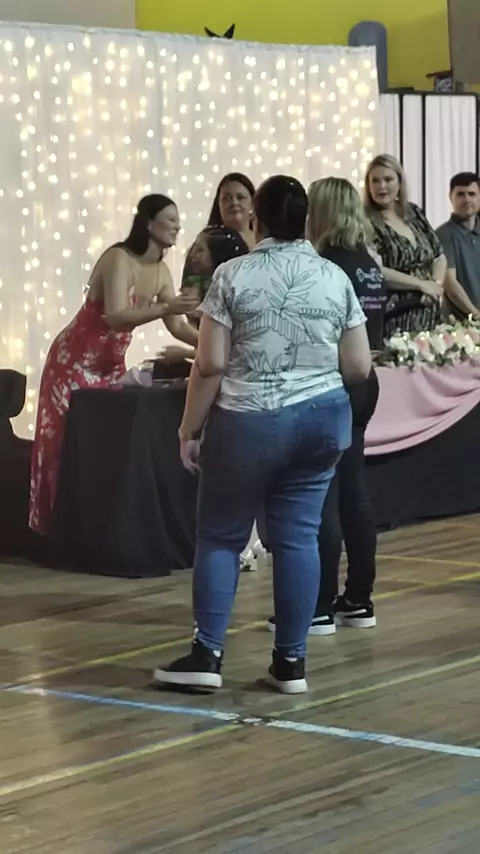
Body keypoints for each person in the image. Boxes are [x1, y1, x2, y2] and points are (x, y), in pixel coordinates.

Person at [153, 175, 371, 695]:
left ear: (257, 219)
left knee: (222, 537)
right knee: (298, 537)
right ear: (306, 221)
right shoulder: (333, 277)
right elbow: (359, 366)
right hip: (322, 421)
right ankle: (291, 662)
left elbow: (210, 363)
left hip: (249, 420)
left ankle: (207, 655)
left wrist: (189, 428)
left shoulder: (233, 275)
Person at [29, 194, 199, 536]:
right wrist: (167, 308)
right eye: (170, 219)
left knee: (99, 443)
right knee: (62, 441)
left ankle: (92, 528)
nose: (177, 226)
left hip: (109, 366)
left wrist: (210, 345)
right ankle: (57, 529)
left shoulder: (161, 271)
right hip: (72, 361)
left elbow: (177, 326)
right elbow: (117, 317)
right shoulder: (119, 258)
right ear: (148, 222)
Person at [267, 177, 387, 637]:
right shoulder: (368, 263)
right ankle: (357, 598)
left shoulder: (325, 267)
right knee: (354, 493)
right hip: (365, 380)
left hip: (332, 381)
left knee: (322, 498)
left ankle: (316, 605)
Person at [364, 154, 446, 337]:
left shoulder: (414, 212)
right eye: (375, 181)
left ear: (399, 182)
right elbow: (375, 271)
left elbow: (439, 256)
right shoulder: (365, 221)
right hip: (397, 313)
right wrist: (421, 285)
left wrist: (435, 285)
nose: (381, 186)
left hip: (431, 310)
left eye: (388, 179)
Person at [162, 225, 250, 363]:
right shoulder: (204, 286)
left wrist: (186, 353)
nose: (192, 256)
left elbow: (233, 352)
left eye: (200, 250)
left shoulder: (234, 294)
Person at [436, 172, 480, 319]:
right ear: (451, 197)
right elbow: (449, 283)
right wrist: (475, 314)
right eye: (461, 194)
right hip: (464, 325)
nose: (467, 199)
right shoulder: (443, 235)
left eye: (472, 194)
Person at [207, 172, 256, 250]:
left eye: (240, 197)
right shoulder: (205, 244)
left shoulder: (263, 242)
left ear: (252, 204)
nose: (234, 202)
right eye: (226, 198)